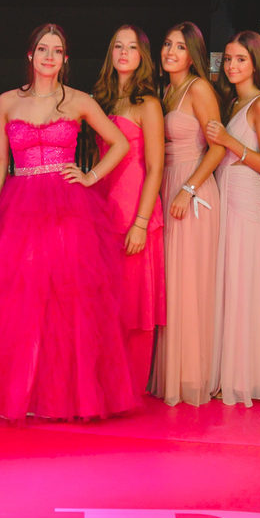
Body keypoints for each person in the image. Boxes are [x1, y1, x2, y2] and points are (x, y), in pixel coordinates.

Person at [0, 23, 134, 420]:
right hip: (21, 203)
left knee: (68, 299)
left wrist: (91, 176)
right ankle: (24, 394)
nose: (49, 56)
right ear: (30, 55)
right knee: (21, 298)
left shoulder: (80, 100)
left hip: (69, 205)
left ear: (65, 59)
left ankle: (67, 396)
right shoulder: (7, 101)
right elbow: (0, 159)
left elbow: (120, 143)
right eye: (43, 49)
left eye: (57, 50)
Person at [204, 30, 260, 406]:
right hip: (231, 196)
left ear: (255, 64)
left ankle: (249, 377)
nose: (232, 66)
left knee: (246, 285)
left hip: (250, 201)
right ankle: (233, 372)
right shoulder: (235, 102)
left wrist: (229, 142)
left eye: (241, 59)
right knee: (233, 284)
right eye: (229, 59)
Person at [151, 21, 225, 406]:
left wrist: (189, 188)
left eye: (180, 47)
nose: (170, 52)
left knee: (189, 282)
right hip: (169, 184)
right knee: (172, 282)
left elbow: (218, 147)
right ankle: (172, 373)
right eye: (167, 44)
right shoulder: (167, 91)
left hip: (193, 190)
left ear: (192, 55)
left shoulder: (198, 89)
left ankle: (193, 376)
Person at [91, 25, 166, 396]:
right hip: (106, 210)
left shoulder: (148, 103)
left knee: (135, 304)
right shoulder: (104, 101)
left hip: (136, 210)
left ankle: (131, 386)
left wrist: (140, 222)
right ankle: (107, 381)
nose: (123, 52)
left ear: (142, 56)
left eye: (132, 47)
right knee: (109, 301)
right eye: (118, 46)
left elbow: (155, 167)